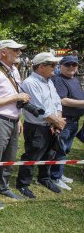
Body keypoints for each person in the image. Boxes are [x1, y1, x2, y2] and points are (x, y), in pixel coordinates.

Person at [0, 39, 30, 209]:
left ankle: (3, 187)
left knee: (9, 157)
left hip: (13, 120)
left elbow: (17, 96)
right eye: (15, 50)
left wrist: (19, 118)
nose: (19, 53)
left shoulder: (14, 70)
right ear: (3, 52)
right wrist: (16, 98)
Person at [16, 52, 65, 198]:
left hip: (52, 125)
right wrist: (57, 122)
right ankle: (23, 184)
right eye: (52, 65)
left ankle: (44, 178)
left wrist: (58, 120)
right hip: (37, 127)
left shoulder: (49, 81)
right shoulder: (30, 83)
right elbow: (40, 109)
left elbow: (57, 102)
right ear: (41, 66)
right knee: (32, 155)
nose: (55, 68)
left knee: (50, 153)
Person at [49, 56, 84, 190]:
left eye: (74, 65)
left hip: (74, 121)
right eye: (67, 64)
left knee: (66, 149)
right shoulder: (58, 79)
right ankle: (55, 176)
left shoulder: (74, 79)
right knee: (60, 148)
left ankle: (58, 173)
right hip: (64, 120)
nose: (71, 67)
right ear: (61, 66)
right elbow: (63, 100)